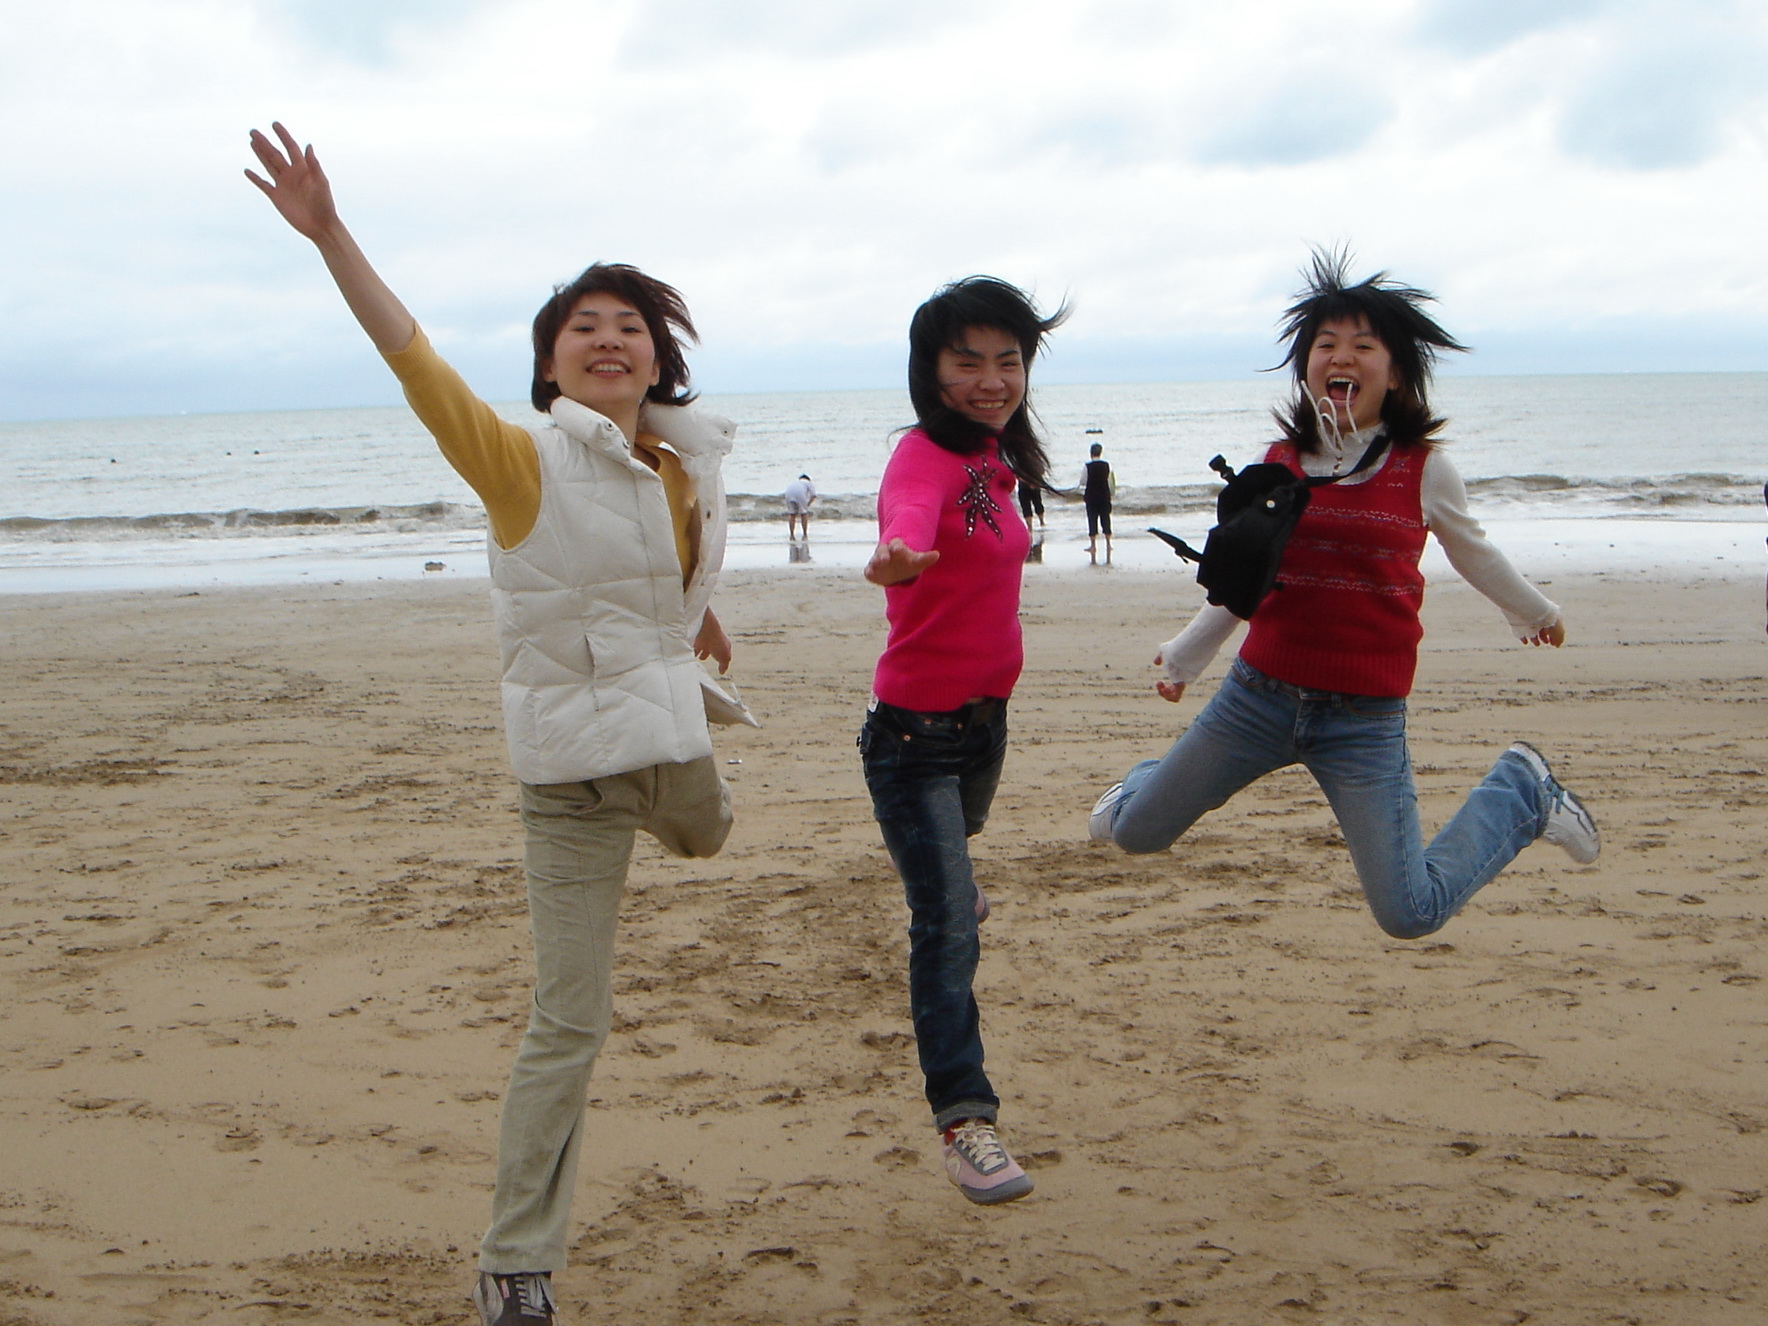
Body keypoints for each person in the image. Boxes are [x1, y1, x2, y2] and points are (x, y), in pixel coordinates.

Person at [246, 123, 749, 1326]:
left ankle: (685, 796)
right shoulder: (518, 459)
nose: (608, 338)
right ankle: (515, 1262)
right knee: (568, 1024)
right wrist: (330, 234)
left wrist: (697, 612)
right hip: (572, 781)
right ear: (550, 366)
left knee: (710, 835)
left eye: (628, 325)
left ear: (659, 357)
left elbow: (657, 558)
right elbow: (411, 357)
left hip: (670, 749)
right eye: (583, 327)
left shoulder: (682, 463)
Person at [1088, 251, 1598, 941]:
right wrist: (1186, 655)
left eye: (1364, 345)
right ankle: (1149, 783)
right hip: (1257, 699)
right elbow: (1245, 582)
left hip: (1363, 721)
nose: (1342, 356)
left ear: (1396, 373)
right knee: (1135, 832)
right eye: (1326, 344)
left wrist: (1535, 612)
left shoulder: (1423, 469)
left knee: (1409, 911)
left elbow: (1473, 551)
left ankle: (1522, 792)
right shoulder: (1279, 463)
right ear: (1306, 367)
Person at [860, 276, 1067, 1205]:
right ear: (930, 371)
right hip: (914, 738)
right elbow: (908, 510)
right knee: (944, 923)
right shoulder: (922, 457)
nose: (991, 380)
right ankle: (965, 1120)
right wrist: (897, 556)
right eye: (967, 362)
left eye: (1007, 361)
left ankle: (950, 872)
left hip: (987, 728)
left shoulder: (996, 458)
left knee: (956, 860)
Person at [1081, 441, 1114, 555]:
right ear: (1100, 452)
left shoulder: (1087, 466)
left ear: (1091, 453)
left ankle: (1093, 545)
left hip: (1091, 496)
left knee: (1092, 519)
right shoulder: (1106, 465)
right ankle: (1108, 544)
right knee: (1106, 519)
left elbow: (1083, 481)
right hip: (1104, 495)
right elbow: (1109, 480)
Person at [784, 472, 817, 540]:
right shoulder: (808, 483)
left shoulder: (795, 483)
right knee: (804, 514)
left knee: (792, 514)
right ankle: (805, 533)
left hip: (788, 494)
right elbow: (813, 495)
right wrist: (807, 504)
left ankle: (792, 534)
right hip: (800, 494)